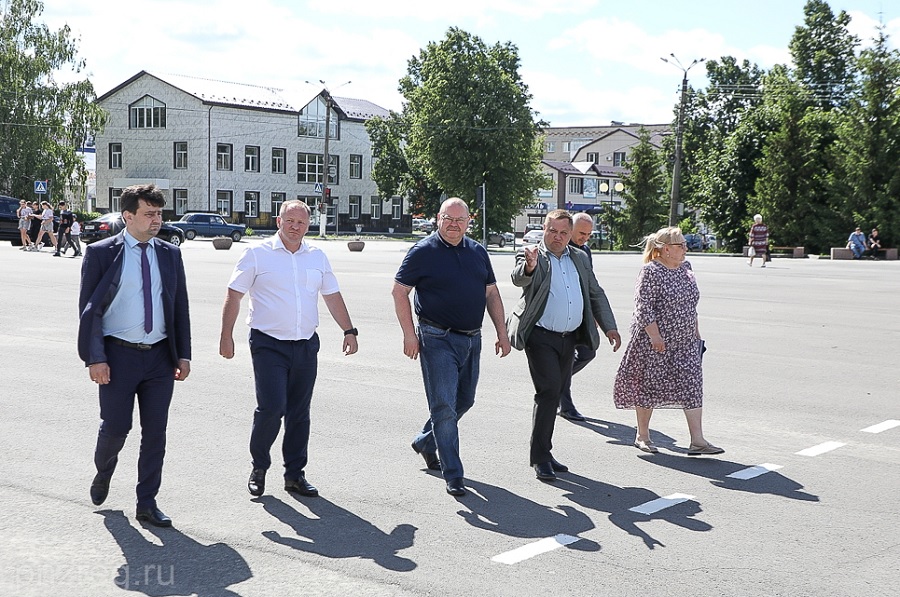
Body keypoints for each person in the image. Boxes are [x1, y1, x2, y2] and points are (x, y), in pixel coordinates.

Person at [220, 200, 358, 499]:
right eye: (290, 221)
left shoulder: (317, 256)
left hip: (306, 345)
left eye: (302, 223)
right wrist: (226, 336)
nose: (296, 227)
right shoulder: (257, 254)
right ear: (279, 220)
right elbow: (234, 294)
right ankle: (259, 466)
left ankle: (294, 475)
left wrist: (349, 330)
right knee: (272, 408)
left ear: (308, 225)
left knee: (299, 413)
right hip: (268, 344)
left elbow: (332, 295)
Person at [78, 184, 192, 528]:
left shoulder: (169, 254)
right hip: (117, 356)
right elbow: (89, 311)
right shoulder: (101, 253)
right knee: (116, 427)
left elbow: (179, 308)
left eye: (159, 213)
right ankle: (104, 469)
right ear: (128, 216)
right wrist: (94, 358)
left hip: (159, 357)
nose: (157, 219)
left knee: (155, 432)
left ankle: (147, 502)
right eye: (149, 213)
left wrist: (183, 355)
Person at [392, 197, 511, 497]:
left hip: (472, 338)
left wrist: (502, 331)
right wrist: (409, 334)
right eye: (449, 218)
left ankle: (424, 441)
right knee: (443, 406)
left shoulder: (478, 252)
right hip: (436, 338)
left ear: (469, 221)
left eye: (460, 219)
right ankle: (453, 473)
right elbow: (399, 291)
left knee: (465, 400)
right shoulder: (423, 251)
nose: (454, 224)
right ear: (438, 218)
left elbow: (491, 293)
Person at [507, 209, 621, 482]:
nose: (557, 237)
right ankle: (540, 458)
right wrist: (530, 266)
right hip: (540, 335)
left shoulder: (580, 258)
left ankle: (545, 451)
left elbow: (595, 292)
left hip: (569, 337)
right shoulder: (533, 254)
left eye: (562, 233)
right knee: (548, 392)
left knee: (557, 388)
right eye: (552, 231)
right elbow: (518, 277)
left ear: (570, 235)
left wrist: (609, 326)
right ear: (543, 230)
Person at [613, 226, 722, 456]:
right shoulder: (651, 271)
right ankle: (642, 436)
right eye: (680, 245)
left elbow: (692, 305)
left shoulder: (686, 268)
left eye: (684, 244)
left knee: (692, 386)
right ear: (664, 250)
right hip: (656, 342)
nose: (685, 248)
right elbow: (643, 307)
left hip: (686, 341)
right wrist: (655, 336)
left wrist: (696, 333)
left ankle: (698, 440)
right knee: (649, 387)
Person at [557, 212, 597, 422]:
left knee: (588, 353)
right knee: (565, 360)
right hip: (561, 315)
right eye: (582, 233)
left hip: (581, 314)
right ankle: (566, 405)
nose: (585, 238)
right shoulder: (559, 249)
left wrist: (597, 314)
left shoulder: (585, 251)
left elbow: (590, 283)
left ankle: (554, 384)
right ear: (570, 229)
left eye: (589, 234)